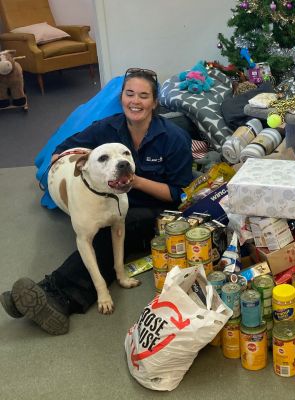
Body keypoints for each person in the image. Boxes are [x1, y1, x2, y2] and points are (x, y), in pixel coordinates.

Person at [0, 68, 195, 335]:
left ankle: (59, 297)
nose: (135, 101)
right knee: (97, 229)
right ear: (121, 97)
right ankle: (36, 296)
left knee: (107, 235)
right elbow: (62, 149)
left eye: (143, 95)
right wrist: (61, 167)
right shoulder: (107, 128)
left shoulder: (173, 138)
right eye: (129, 94)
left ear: (154, 102)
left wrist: (133, 181)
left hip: (155, 208)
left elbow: (180, 194)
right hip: (109, 197)